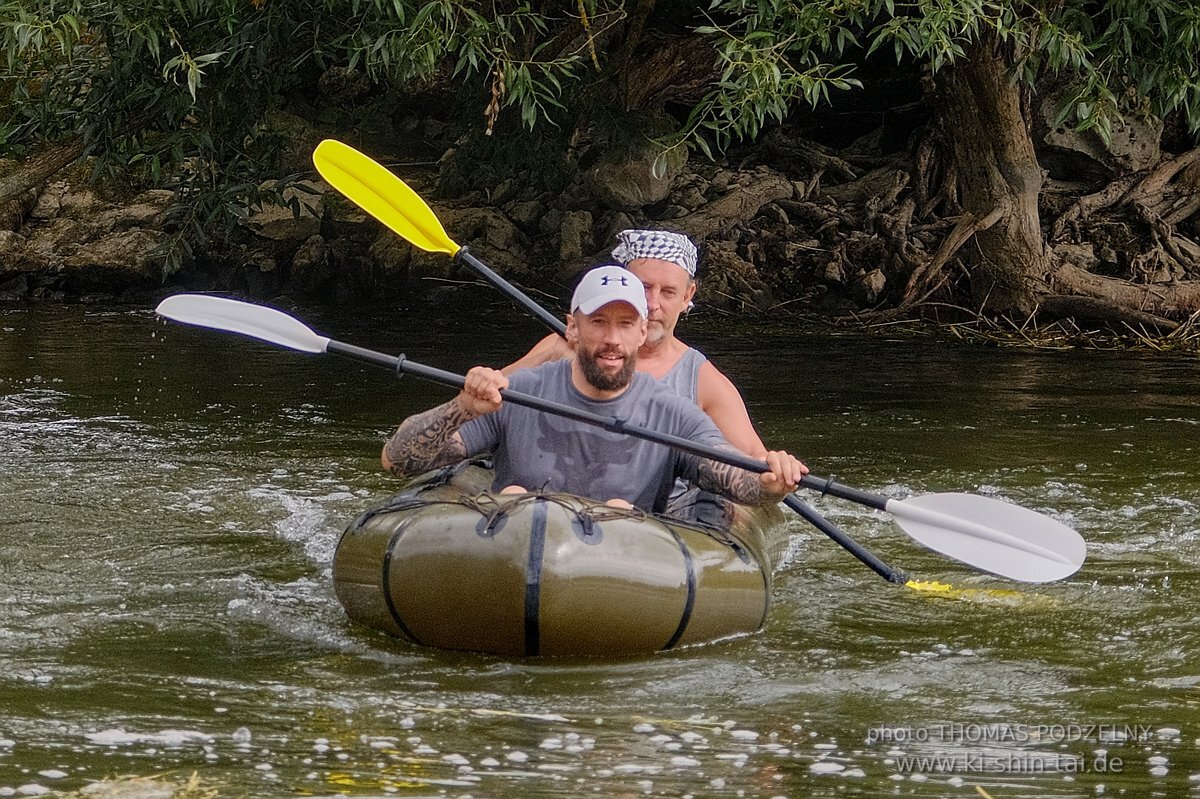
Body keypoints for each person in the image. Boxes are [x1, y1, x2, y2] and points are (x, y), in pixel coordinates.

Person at [382, 265, 807, 512]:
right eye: (598, 322)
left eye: (625, 325)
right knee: (513, 497)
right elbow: (396, 460)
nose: (612, 340)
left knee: (620, 511)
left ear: (642, 332)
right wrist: (460, 407)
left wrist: (770, 482)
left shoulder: (671, 414)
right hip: (509, 547)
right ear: (572, 327)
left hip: (612, 572)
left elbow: (734, 477)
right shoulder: (520, 392)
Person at [503, 229, 767, 459]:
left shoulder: (702, 380)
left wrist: (777, 470)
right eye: (643, 287)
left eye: (668, 292)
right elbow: (484, 402)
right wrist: (549, 354)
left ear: (688, 296)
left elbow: (755, 457)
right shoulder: (562, 348)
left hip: (663, 512)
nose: (652, 304)